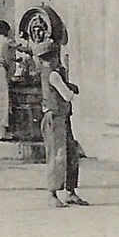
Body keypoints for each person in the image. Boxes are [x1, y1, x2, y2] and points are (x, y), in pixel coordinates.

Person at [37, 44, 87, 208]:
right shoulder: (54, 75)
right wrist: (71, 89)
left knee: (70, 153)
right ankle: (52, 193)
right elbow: (67, 95)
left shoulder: (50, 73)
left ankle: (70, 191)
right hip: (54, 118)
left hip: (62, 117)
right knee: (57, 156)